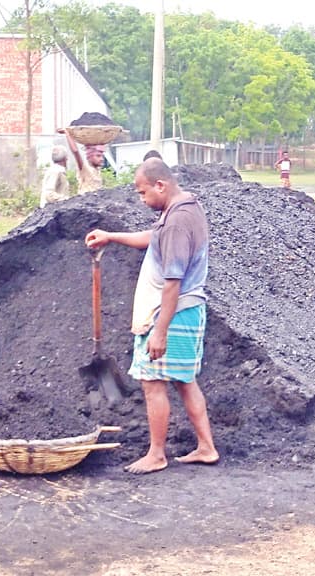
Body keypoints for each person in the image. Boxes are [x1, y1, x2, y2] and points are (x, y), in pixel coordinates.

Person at [84, 158, 219, 474]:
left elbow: (173, 282)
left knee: (152, 382)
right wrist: (111, 236)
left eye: (143, 192)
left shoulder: (175, 222)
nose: (142, 199)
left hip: (171, 314)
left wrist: (159, 331)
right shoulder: (184, 209)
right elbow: (153, 238)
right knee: (185, 382)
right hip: (187, 312)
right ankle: (206, 447)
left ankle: (157, 454)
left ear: (161, 185)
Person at [59, 127, 105, 194]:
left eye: (102, 156)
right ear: (90, 157)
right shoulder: (85, 169)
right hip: (84, 202)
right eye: (98, 156)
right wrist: (67, 134)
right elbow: (75, 152)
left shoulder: (98, 171)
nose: (101, 159)